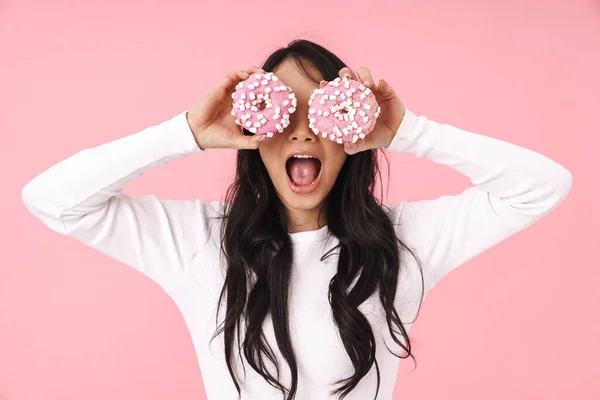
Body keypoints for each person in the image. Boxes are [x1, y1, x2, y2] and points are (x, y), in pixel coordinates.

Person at [21, 39, 573, 400]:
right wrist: (185, 132)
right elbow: (53, 199)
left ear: (351, 133)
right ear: (253, 136)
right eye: (281, 111)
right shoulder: (197, 242)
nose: (303, 132)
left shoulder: (402, 244)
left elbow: (542, 186)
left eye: (323, 112)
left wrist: (411, 132)